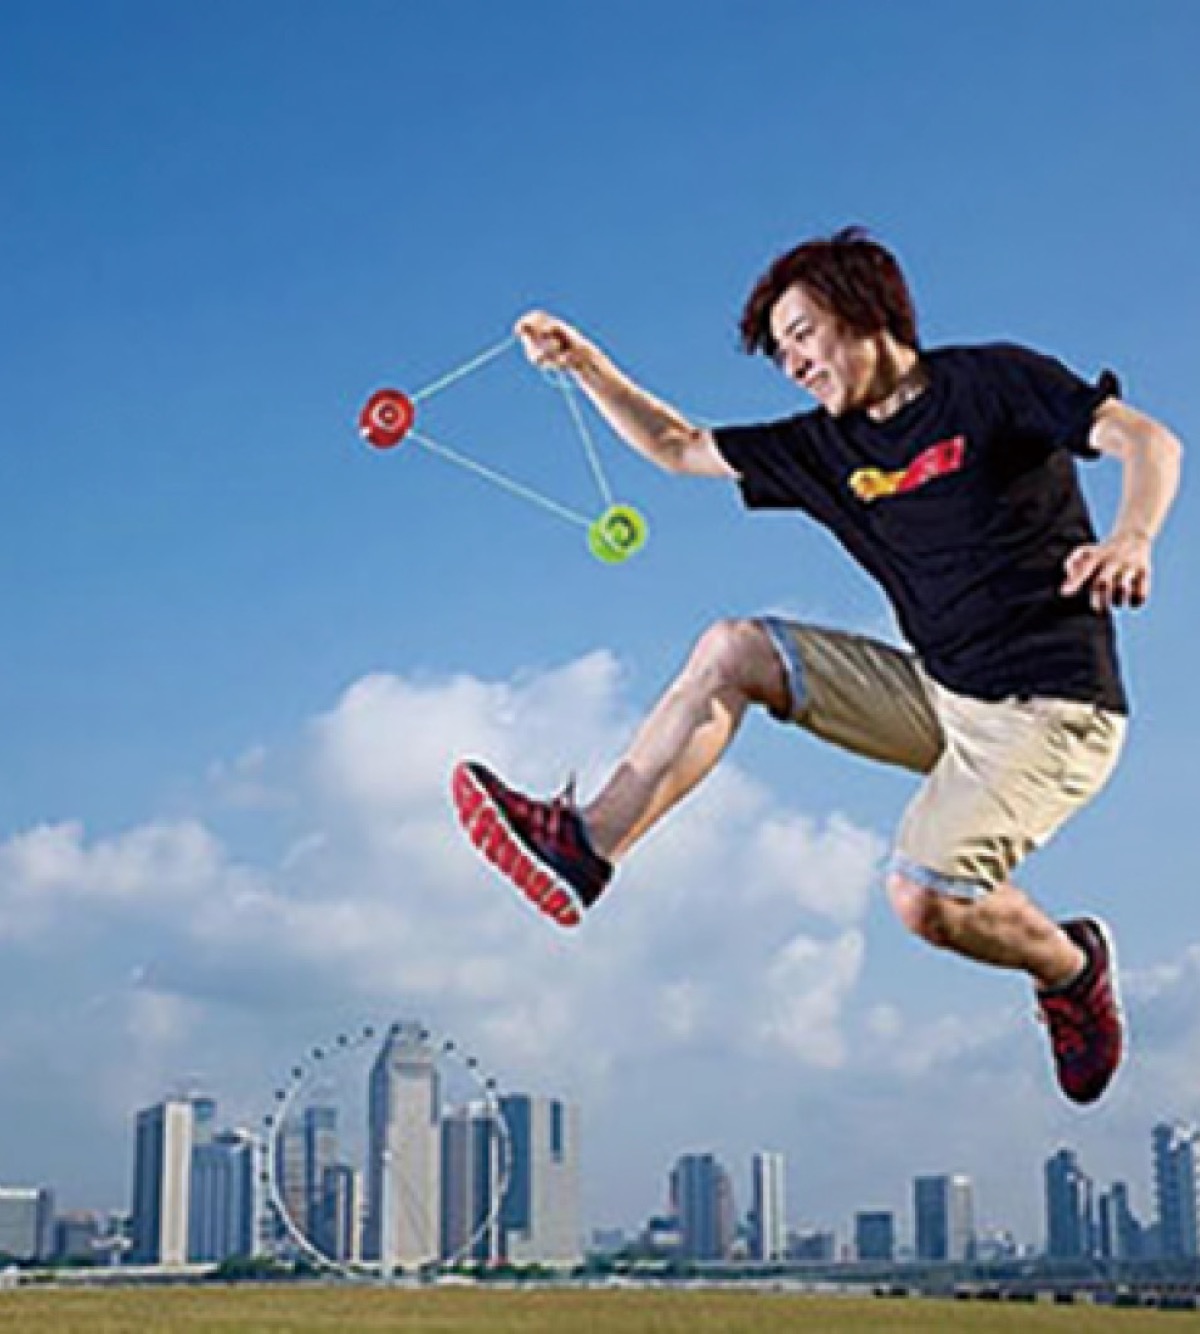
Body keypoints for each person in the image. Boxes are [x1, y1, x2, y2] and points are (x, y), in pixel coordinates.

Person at [451, 227, 1182, 1105]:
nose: (793, 363)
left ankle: (1069, 968)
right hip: (943, 696)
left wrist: (1132, 537)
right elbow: (677, 447)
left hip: (1056, 714)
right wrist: (586, 366)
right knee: (733, 649)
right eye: (781, 351)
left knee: (923, 898)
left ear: (866, 311)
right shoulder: (825, 447)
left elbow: (1150, 442)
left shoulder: (994, 379)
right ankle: (586, 848)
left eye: (802, 334)